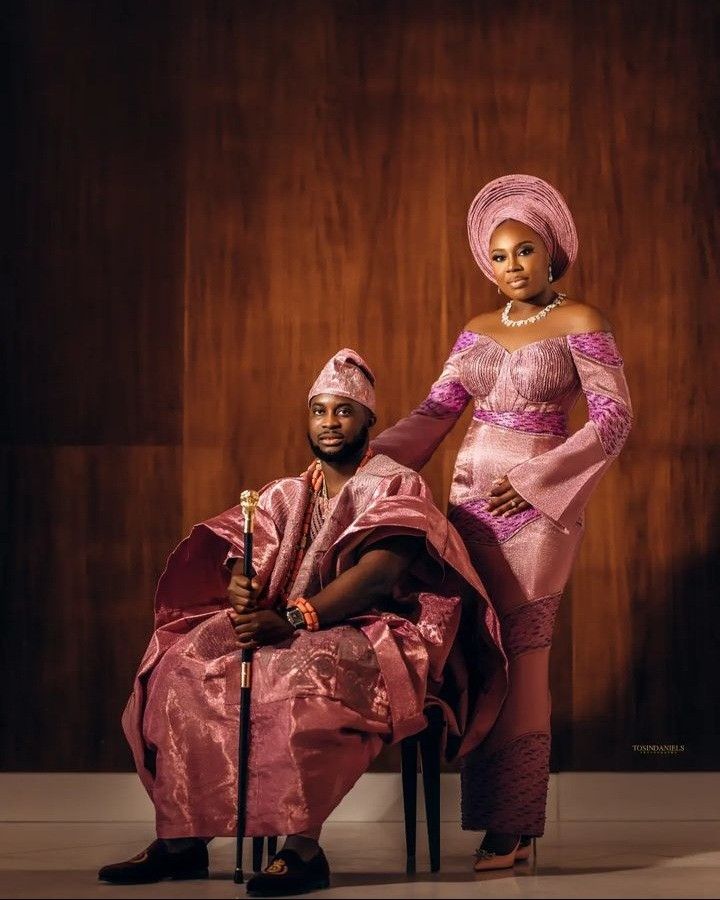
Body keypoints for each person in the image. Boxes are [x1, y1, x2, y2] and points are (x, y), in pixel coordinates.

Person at [98, 348, 508, 895]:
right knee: (182, 665)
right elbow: (243, 548)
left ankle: (301, 848)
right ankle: (183, 840)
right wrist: (241, 580)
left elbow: (380, 574)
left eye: (344, 411)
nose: (330, 423)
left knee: (298, 677)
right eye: (320, 411)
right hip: (285, 623)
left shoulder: (396, 485)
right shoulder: (288, 491)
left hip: (377, 629)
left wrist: (294, 617)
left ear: (369, 421)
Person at [372, 174, 633, 870]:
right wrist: (363, 460)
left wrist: (536, 480)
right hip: (468, 508)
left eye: (523, 251)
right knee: (478, 651)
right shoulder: (478, 332)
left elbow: (613, 419)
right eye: (499, 255)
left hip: (538, 512)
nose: (510, 265)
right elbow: (434, 415)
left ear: (551, 255)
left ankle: (514, 824)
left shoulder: (582, 320)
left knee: (524, 656)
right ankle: (493, 818)